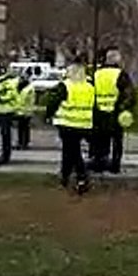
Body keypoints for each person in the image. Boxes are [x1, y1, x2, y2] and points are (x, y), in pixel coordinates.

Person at [45, 61, 95, 194]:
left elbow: (53, 102)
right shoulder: (90, 87)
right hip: (84, 124)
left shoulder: (65, 85)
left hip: (67, 123)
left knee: (73, 152)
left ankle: (81, 177)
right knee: (70, 150)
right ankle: (65, 175)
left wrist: (48, 115)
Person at [92, 49, 135, 174]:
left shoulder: (97, 74)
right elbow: (129, 94)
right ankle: (115, 166)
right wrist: (125, 107)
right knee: (116, 141)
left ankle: (100, 163)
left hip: (99, 112)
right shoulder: (120, 74)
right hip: (115, 112)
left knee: (100, 140)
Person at [16, 78, 36, 151]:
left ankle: (23, 143)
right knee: (24, 128)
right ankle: (23, 142)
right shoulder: (29, 89)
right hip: (26, 111)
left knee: (23, 128)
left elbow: (22, 101)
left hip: (24, 111)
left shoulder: (26, 90)